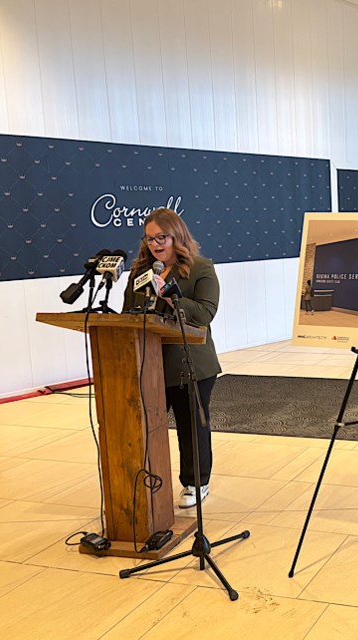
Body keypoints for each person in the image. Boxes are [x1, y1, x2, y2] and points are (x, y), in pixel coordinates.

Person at [123, 208, 222, 509]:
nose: (155, 244)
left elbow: (206, 313)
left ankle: (196, 482)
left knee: (191, 425)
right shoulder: (141, 273)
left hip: (190, 363)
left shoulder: (200, 268)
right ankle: (148, 478)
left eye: (161, 237)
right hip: (149, 364)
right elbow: (129, 312)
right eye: (149, 238)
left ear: (176, 236)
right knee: (147, 425)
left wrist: (169, 296)